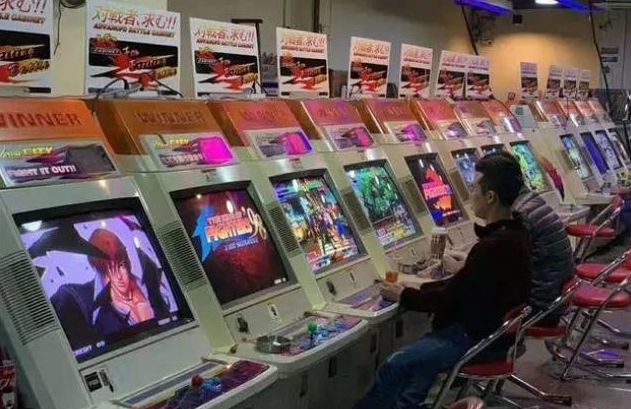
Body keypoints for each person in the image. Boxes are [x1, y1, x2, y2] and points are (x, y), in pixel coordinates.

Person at [354, 154, 532, 409]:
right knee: (417, 365)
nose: (469, 194)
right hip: (492, 335)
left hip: (474, 339)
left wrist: (404, 295)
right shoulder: (515, 234)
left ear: (490, 197)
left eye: (474, 188)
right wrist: (418, 287)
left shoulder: (494, 246)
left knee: (396, 364)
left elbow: (450, 297)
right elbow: (463, 285)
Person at [503, 152, 574, 325]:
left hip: (539, 308)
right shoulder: (533, 200)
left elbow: (503, 271)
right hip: (555, 297)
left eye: (477, 187)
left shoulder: (519, 214)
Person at [88, 228, 155, 335]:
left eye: (120, 266)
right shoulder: (103, 315)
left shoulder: (150, 283)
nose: (118, 276)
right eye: (109, 270)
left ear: (126, 263)